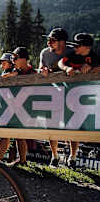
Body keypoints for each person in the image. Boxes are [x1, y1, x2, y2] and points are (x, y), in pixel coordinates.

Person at [58, 33, 100, 168]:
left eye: (77, 45)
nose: (74, 47)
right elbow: (61, 62)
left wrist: (94, 69)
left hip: (92, 96)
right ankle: (73, 155)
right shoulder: (72, 55)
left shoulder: (95, 56)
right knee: (73, 124)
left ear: (86, 46)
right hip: (73, 95)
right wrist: (67, 68)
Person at [39, 27, 75, 167]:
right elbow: (40, 68)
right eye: (48, 40)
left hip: (73, 93)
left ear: (62, 42)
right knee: (51, 125)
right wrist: (43, 70)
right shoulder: (45, 53)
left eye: (52, 40)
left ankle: (72, 157)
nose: (49, 43)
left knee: (74, 125)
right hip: (53, 93)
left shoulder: (73, 52)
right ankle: (55, 157)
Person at [0, 47, 36, 165]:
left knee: (20, 136)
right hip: (12, 105)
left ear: (23, 58)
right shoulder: (15, 70)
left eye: (15, 57)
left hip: (24, 106)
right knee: (6, 134)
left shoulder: (31, 71)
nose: (13, 60)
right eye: (12, 58)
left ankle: (22, 161)